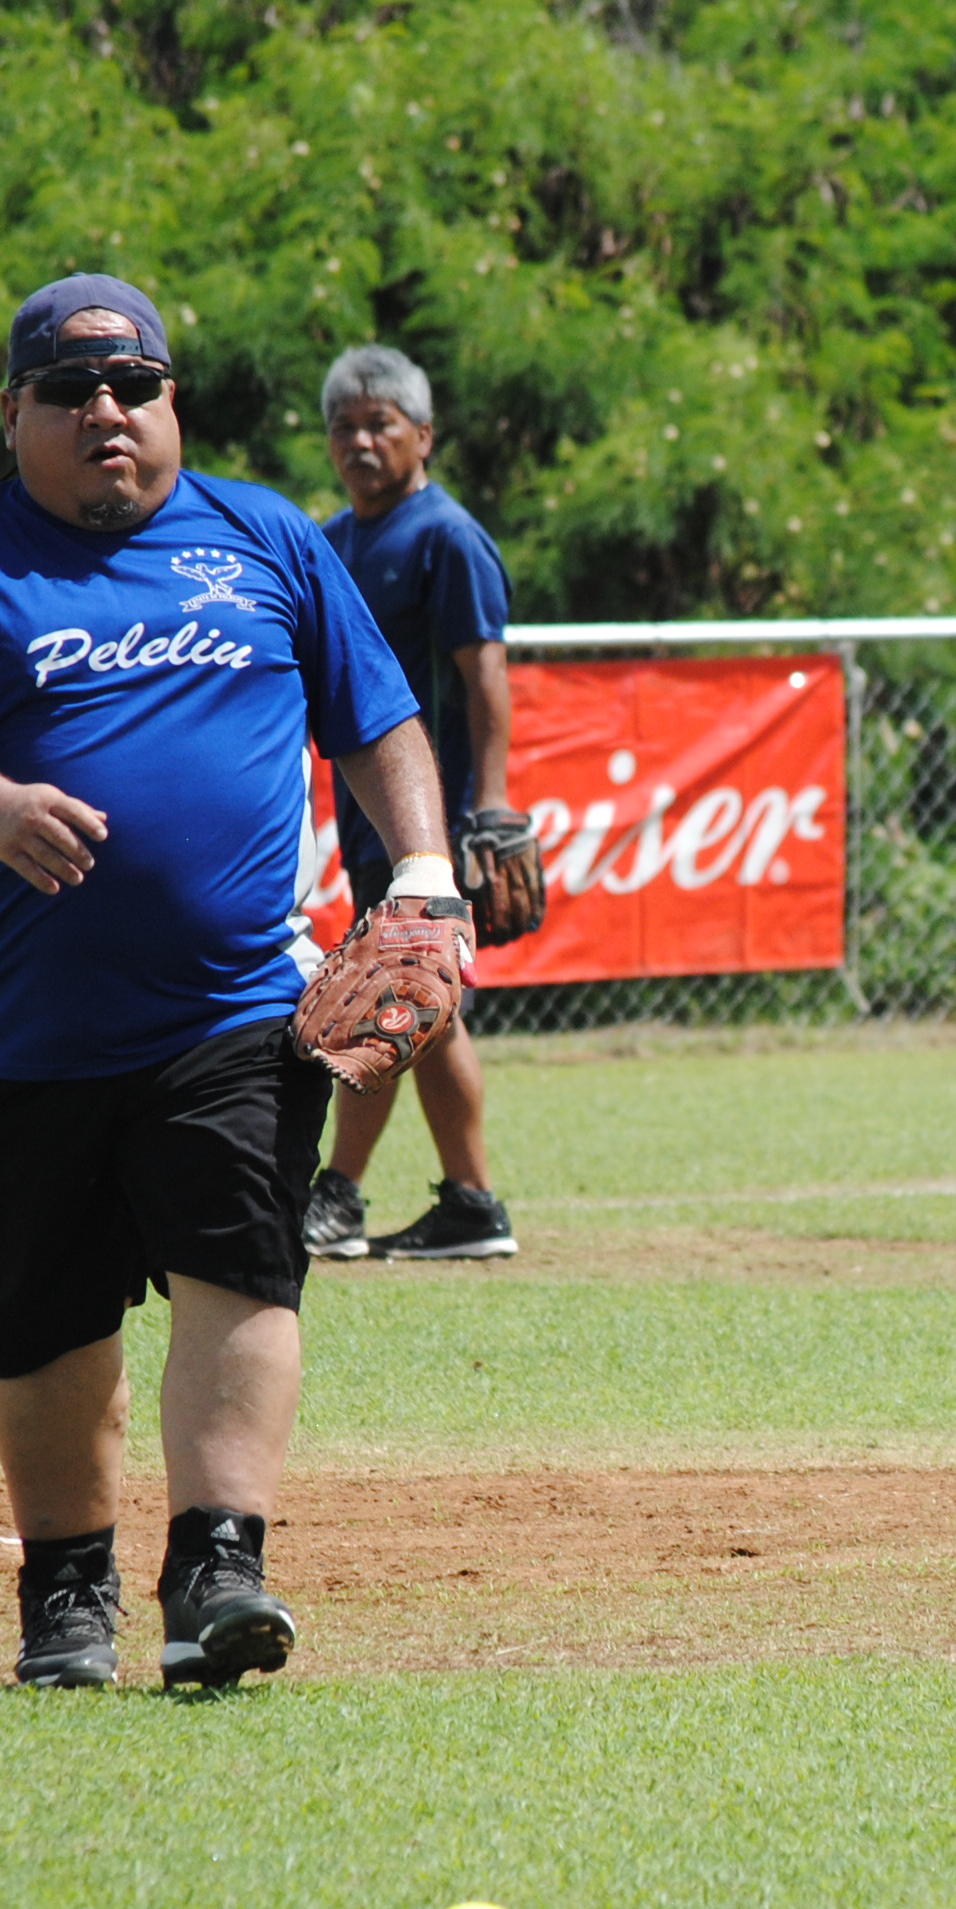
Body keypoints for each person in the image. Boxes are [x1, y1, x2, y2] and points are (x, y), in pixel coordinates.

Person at [0, 274, 448, 1690]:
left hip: (235, 1008)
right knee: (40, 1320)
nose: (103, 413)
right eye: (68, 393)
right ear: (17, 415)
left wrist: (422, 864)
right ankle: (67, 1593)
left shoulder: (265, 538)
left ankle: (218, 1566)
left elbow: (377, 715)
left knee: (241, 1267)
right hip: (17, 1031)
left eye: (133, 386)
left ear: (172, 401)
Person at [302, 343, 522, 1263]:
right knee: (420, 1008)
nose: (360, 441)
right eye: (344, 427)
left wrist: (494, 806)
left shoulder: (446, 536)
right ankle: (469, 1206)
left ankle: (342, 1197)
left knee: (395, 998)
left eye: (380, 424)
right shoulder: (331, 539)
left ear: (422, 435)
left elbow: (486, 680)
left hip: (434, 820)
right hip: (369, 818)